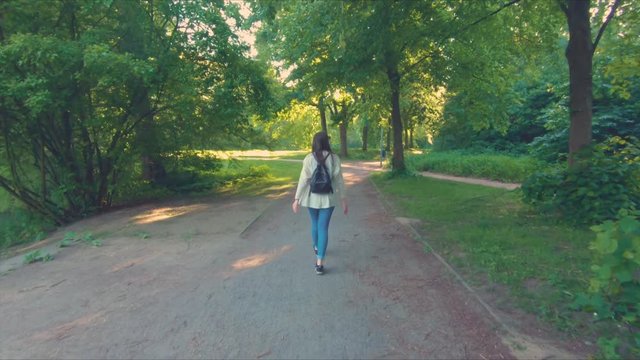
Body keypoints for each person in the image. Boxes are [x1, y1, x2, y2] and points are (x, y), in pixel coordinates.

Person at [292, 131, 348, 275]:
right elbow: (339, 181)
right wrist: (343, 199)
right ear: (327, 142)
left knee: (315, 224)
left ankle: (317, 246)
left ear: (314, 142)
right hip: (328, 199)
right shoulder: (334, 159)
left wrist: (296, 199)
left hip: (311, 198)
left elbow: (303, 180)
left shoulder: (309, 158)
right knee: (323, 228)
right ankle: (320, 263)